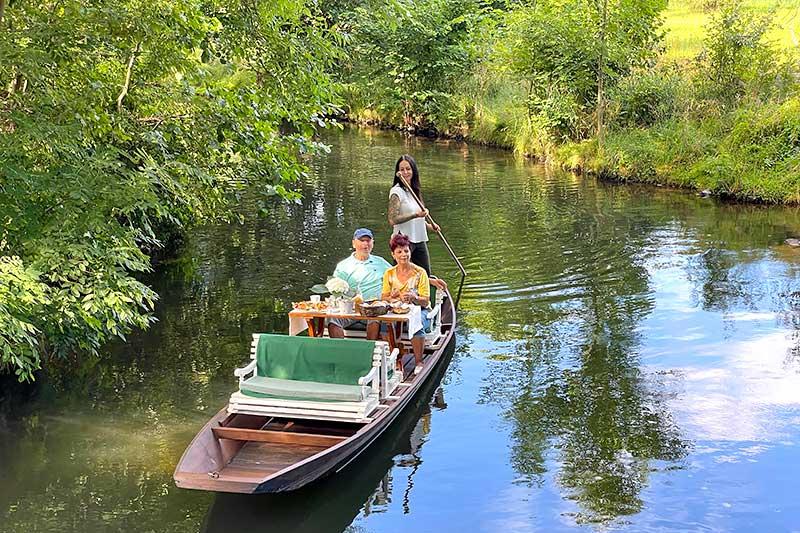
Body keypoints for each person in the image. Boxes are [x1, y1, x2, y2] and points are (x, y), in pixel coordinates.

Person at [327, 228, 391, 340]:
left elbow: (397, 276)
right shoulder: (343, 266)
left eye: (368, 241)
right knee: (333, 320)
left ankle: (368, 353)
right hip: (350, 309)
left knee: (374, 319)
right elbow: (335, 290)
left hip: (374, 308)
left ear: (372, 243)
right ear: (353, 243)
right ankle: (338, 352)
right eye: (362, 241)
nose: (365, 244)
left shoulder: (381, 262)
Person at [381, 233, 431, 375]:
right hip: (397, 310)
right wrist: (393, 296)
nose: (404, 255)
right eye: (400, 252)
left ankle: (419, 361)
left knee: (417, 322)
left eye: (406, 251)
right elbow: (384, 297)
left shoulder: (420, 272)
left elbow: (425, 300)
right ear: (393, 255)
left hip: (420, 310)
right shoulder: (389, 273)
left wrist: (414, 297)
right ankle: (394, 360)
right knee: (385, 324)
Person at [387, 154, 440, 276]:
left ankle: (426, 295)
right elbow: (392, 219)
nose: (405, 172)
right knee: (403, 276)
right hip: (403, 242)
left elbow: (419, 218)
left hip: (419, 239)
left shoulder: (415, 189)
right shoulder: (396, 192)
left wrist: (429, 226)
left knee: (425, 275)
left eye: (408, 169)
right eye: (402, 169)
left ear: (413, 170)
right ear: (397, 172)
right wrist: (415, 215)